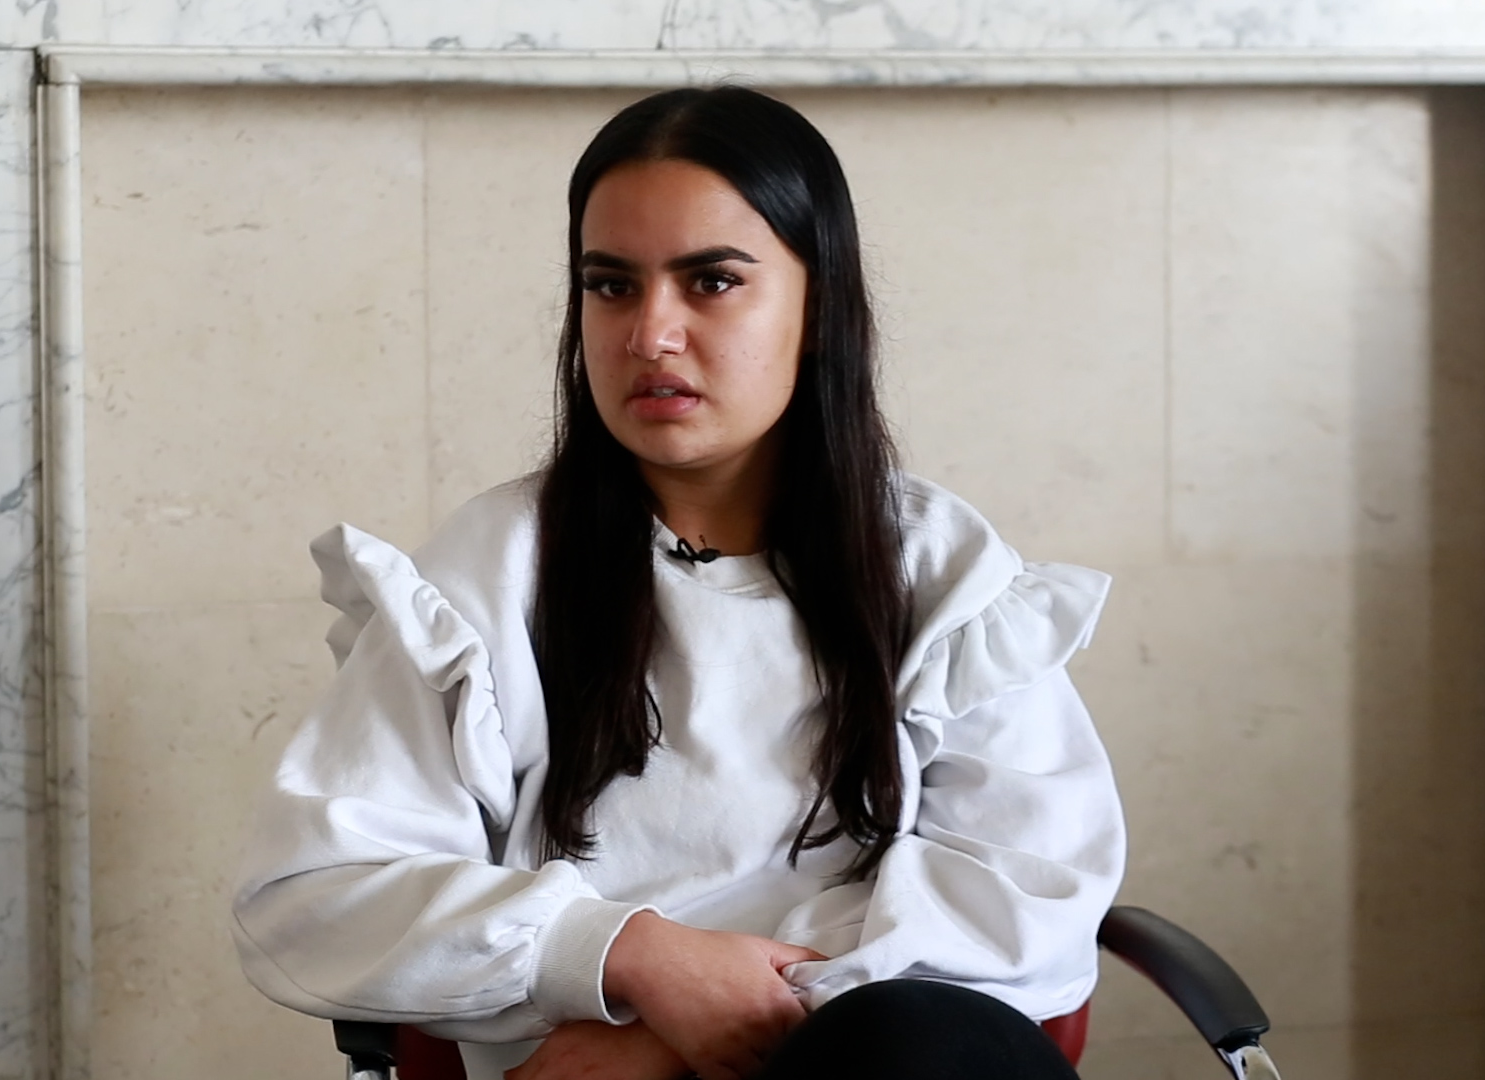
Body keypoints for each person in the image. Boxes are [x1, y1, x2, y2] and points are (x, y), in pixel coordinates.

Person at [231, 85, 1126, 1080]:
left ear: (817, 304)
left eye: (711, 281)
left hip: (877, 1060)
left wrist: (694, 1023)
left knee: (916, 1044)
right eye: (611, 285)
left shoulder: (940, 570)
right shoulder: (487, 575)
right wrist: (634, 960)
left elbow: (1028, 899)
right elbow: (316, 896)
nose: (650, 334)